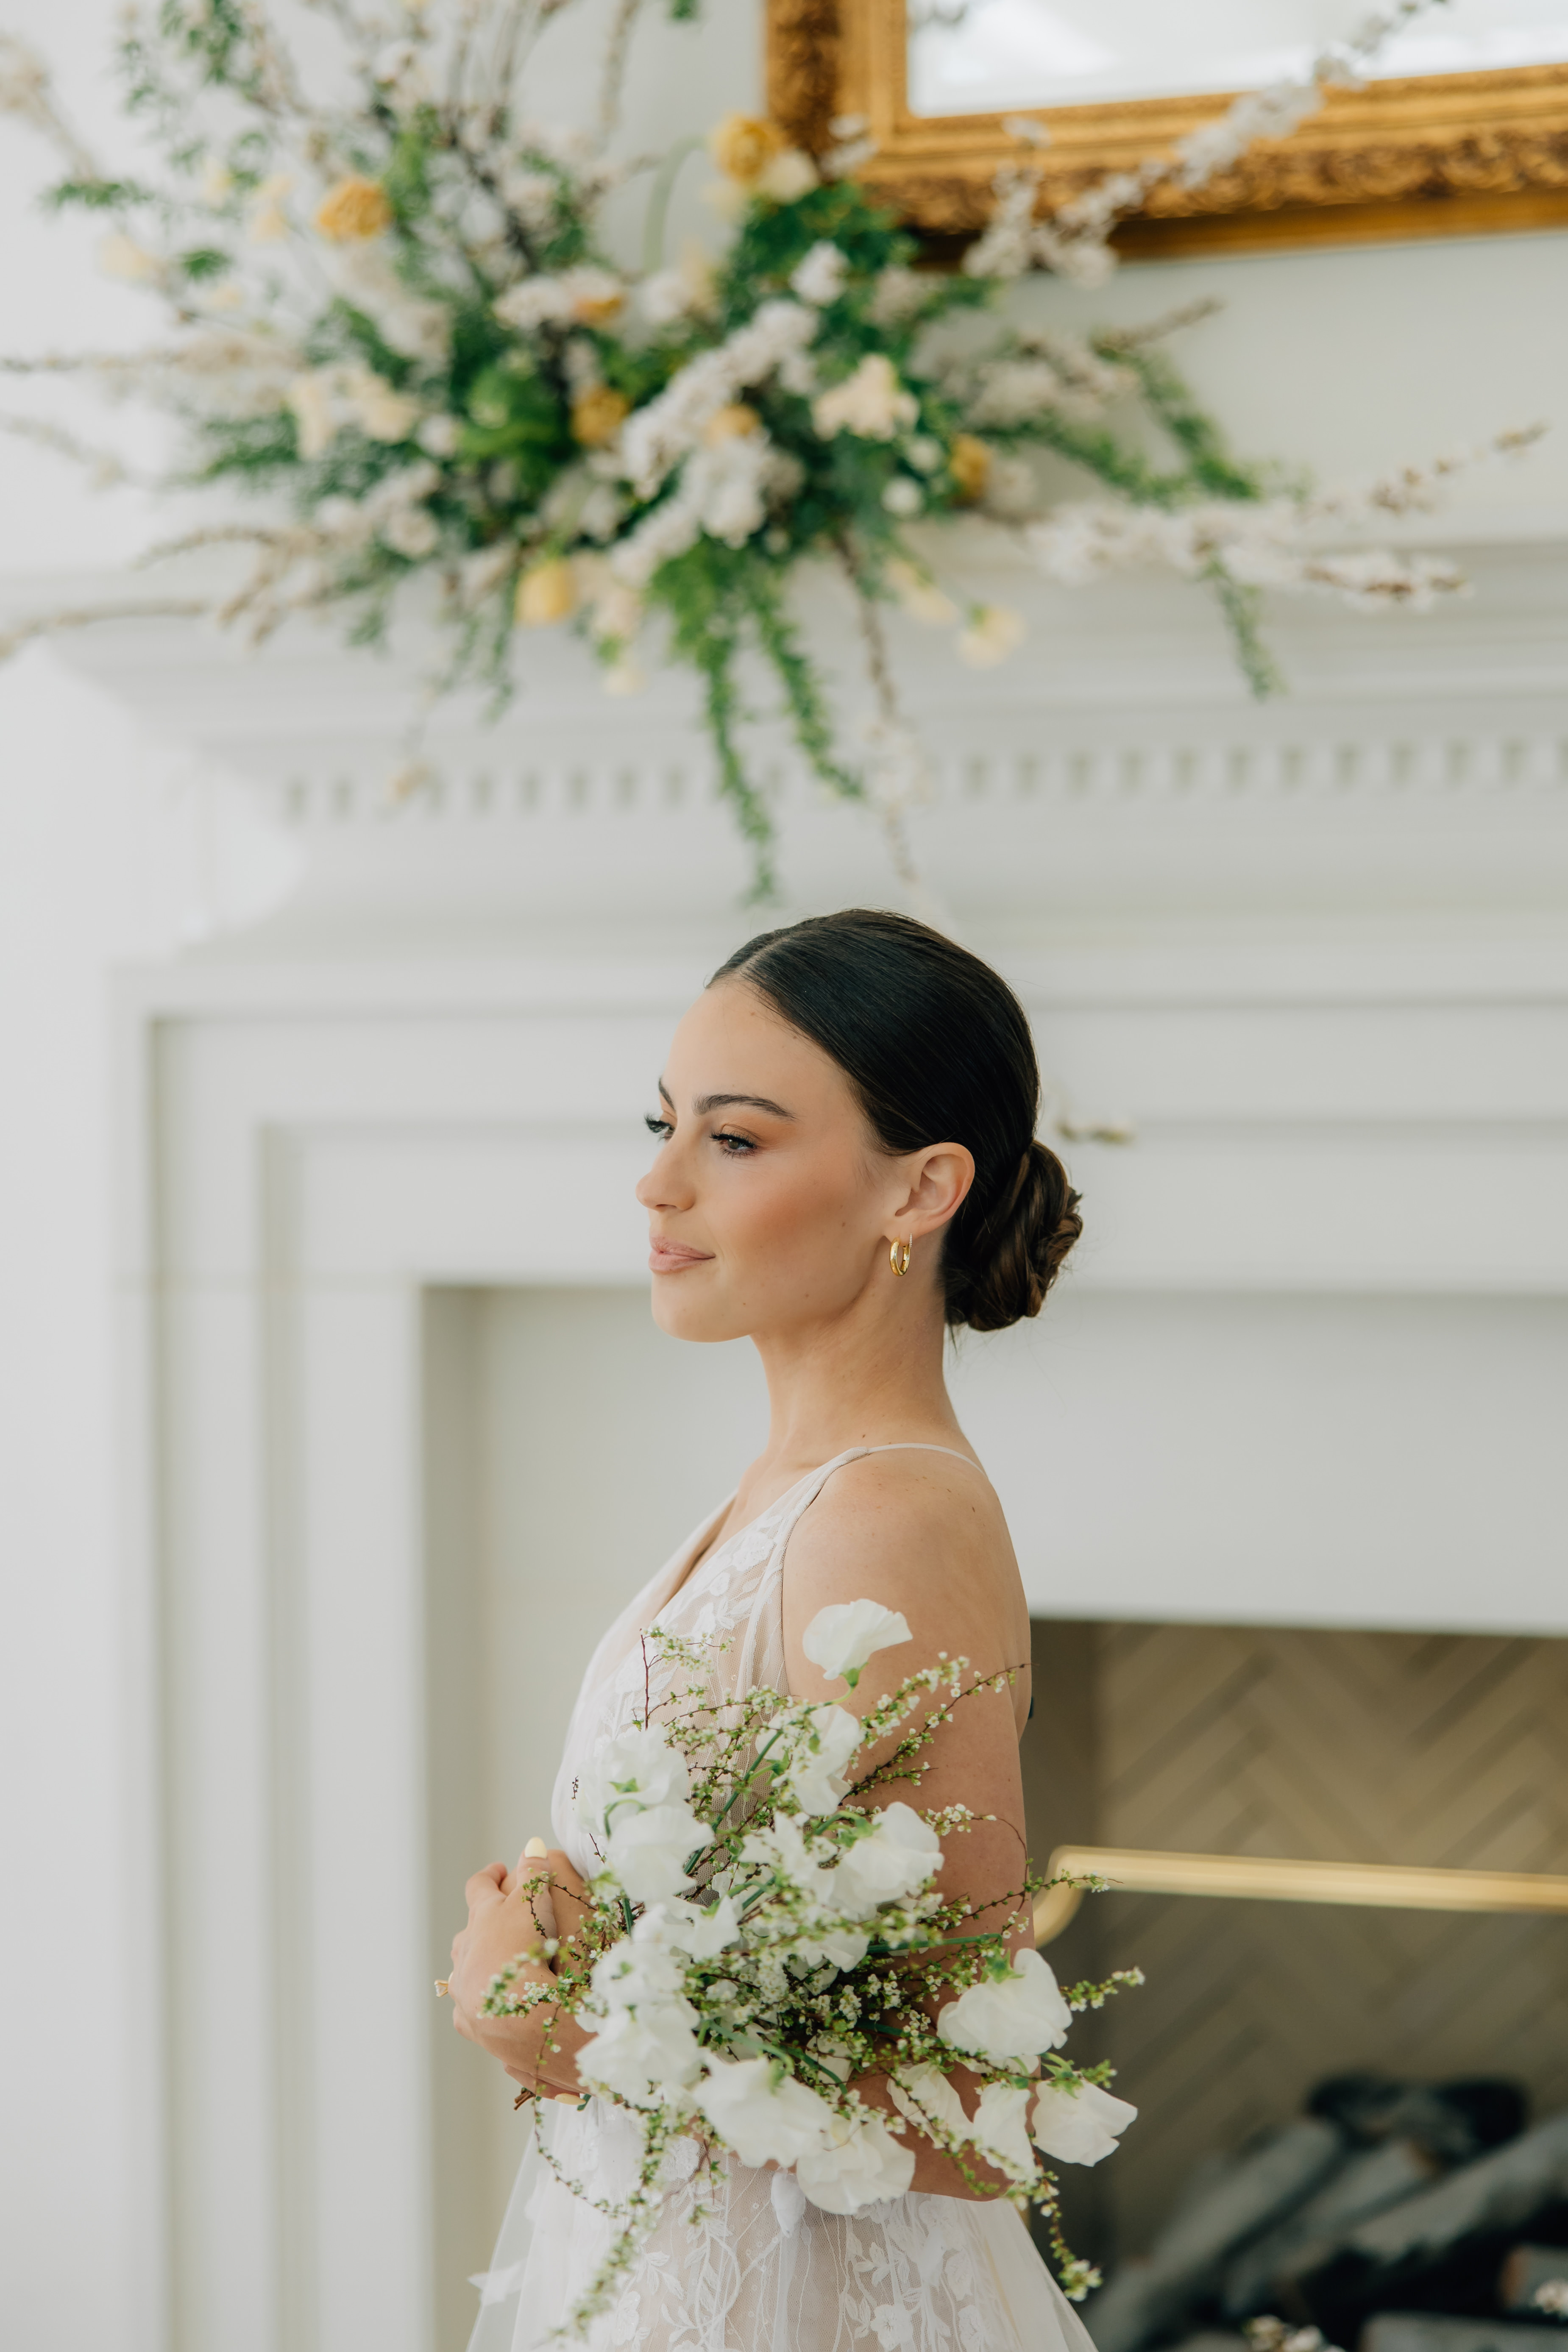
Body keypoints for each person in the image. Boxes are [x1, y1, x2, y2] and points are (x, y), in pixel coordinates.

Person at [445, 908, 1090, 2351]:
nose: (656, 1182)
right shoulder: (781, 1498)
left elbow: (972, 2114)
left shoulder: (884, 1523)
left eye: (732, 1141)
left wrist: (564, 2027)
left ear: (917, 1190)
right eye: (665, 1124)